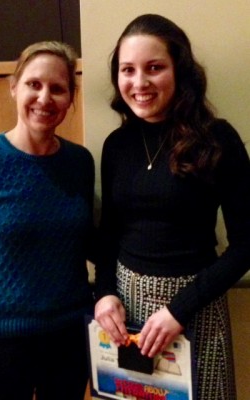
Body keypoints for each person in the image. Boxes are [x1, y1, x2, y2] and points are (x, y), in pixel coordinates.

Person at [94, 14, 250, 400]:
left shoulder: (219, 139)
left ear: (180, 71)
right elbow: (110, 234)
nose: (139, 82)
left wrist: (179, 310)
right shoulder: (117, 145)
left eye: (154, 68)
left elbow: (248, 243)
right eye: (127, 70)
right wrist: (103, 294)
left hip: (196, 307)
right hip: (126, 312)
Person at [0, 41, 95, 400]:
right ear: (14, 88)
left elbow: (87, 243)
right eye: (34, 84)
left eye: (57, 88)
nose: (45, 98)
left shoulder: (80, 162)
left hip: (69, 339)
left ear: (70, 98)